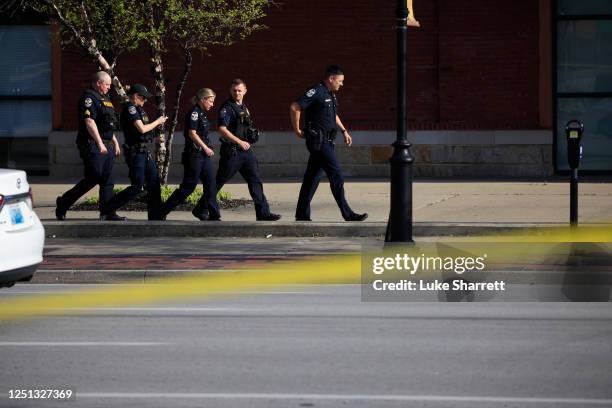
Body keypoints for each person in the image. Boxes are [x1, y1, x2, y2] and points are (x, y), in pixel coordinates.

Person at [289, 65, 368, 222]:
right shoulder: (316, 91)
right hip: (319, 141)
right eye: (340, 81)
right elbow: (295, 106)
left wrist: (344, 131)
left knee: (312, 178)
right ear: (331, 79)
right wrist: (297, 130)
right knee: (336, 175)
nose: (342, 84)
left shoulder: (330, 94)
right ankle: (348, 214)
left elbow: (333, 115)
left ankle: (302, 214)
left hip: (328, 141)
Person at [55, 71, 125, 221]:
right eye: (107, 85)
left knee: (108, 179)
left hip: (106, 144)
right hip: (92, 144)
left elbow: (105, 124)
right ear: (98, 83)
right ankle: (63, 202)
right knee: (94, 177)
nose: (108, 88)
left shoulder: (105, 99)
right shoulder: (89, 98)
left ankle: (107, 212)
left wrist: (115, 142)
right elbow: (90, 122)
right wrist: (100, 143)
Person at [214, 79, 280, 221]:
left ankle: (263, 213)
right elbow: (221, 128)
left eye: (239, 90)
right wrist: (239, 141)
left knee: (255, 181)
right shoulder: (227, 107)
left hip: (246, 152)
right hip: (232, 151)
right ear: (230, 91)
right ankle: (201, 207)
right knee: (220, 180)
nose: (237, 93)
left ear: (245, 91)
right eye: (234, 90)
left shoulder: (244, 107)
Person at [105, 84, 167, 220]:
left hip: (145, 151)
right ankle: (107, 209)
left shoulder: (140, 110)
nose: (145, 101)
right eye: (143, 98)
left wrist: (154, 132)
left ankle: (155, 215)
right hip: (136, 153)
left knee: (154, 182)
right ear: (135, 96)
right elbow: (142, 129)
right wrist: (158, 122)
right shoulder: (130, 109)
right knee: (137, 186)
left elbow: (146, 132)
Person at [162, 88, 221, 221]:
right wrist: (205, 147)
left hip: (204, 156)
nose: (212, 104)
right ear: (203, 100)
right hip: (194, 155)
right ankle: (162, 211)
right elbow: (192, 133)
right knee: (188, 187)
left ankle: (214, 215)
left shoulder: (203, 114)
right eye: (210, 101)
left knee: (211, 185)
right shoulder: (194, 113)